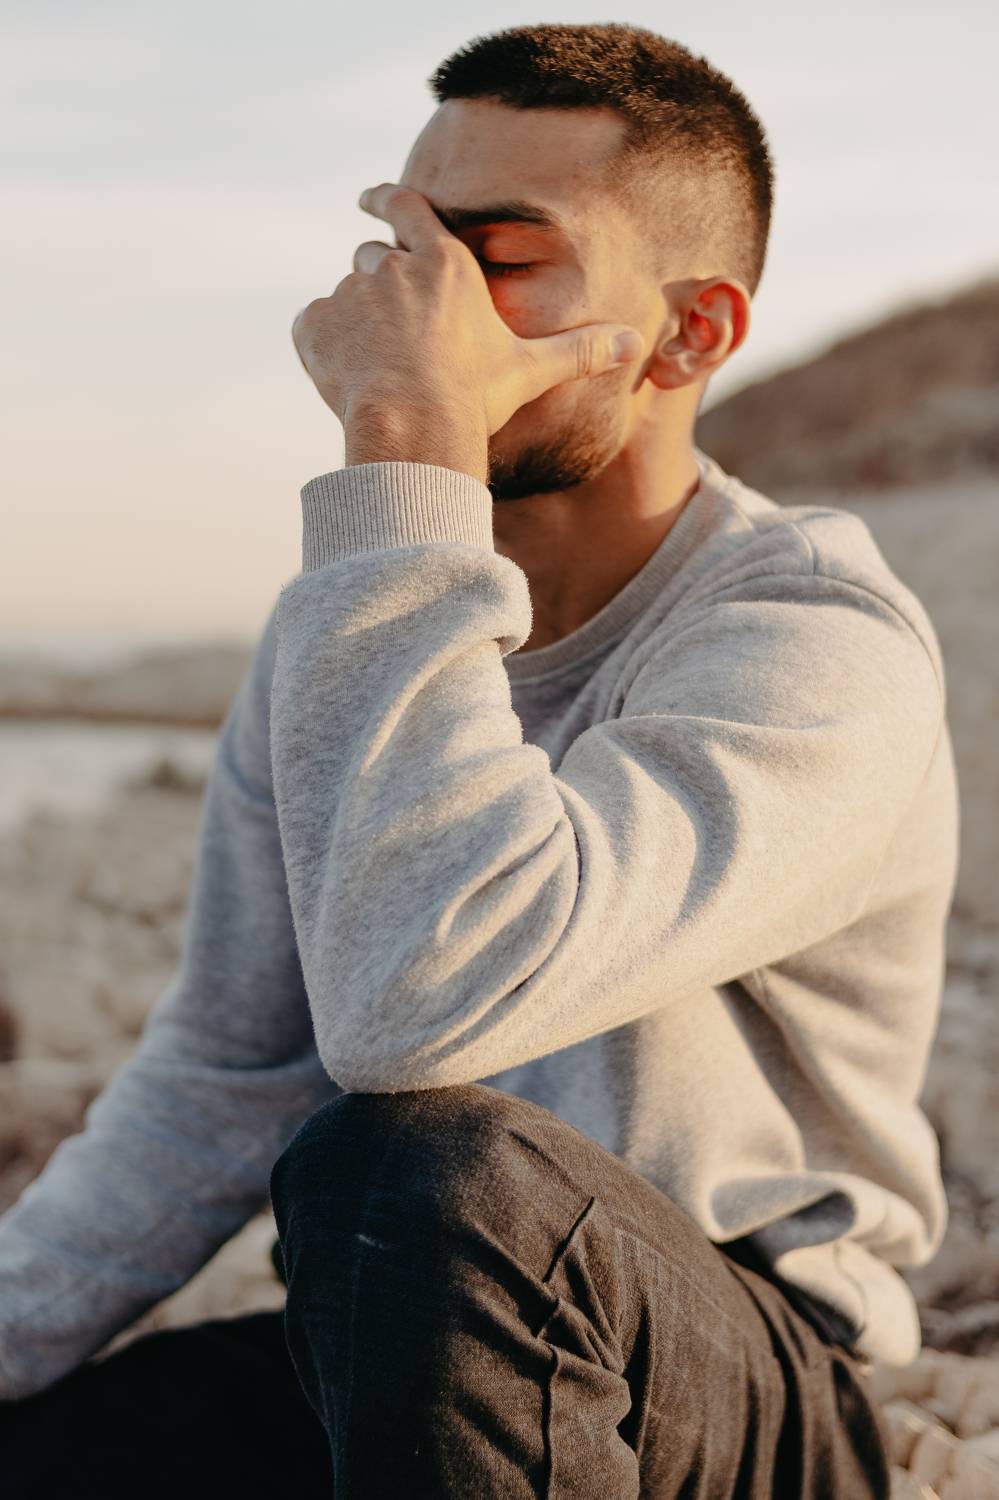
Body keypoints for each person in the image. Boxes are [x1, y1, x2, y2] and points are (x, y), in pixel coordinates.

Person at [0, 21, 958, 1498]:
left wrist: (412, 435)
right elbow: (223, 1074)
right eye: (412, 249)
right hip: (414, 1338)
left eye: (499, 256)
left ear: (691, 334)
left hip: (739, 1376)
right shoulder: (348, 628)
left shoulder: (814, 641)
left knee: (411, 1167)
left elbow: (420, 1002)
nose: (426, 307)